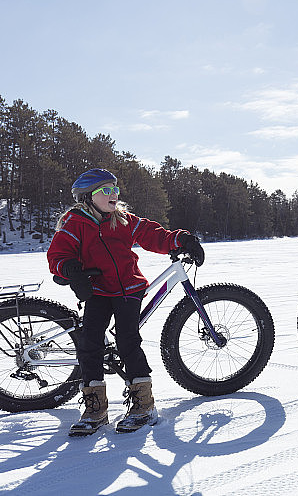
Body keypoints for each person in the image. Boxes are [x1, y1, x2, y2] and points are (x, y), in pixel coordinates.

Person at [47, 168, 205, 436]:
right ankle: (95, 408)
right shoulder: (74, 224)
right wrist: (72, 270)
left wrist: (182, 239)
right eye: (106, 190)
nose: (113, 195)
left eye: (115, 190)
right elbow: (58, 256)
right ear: (88, 197)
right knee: (89, 343)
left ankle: (143, 404)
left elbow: (154, 235)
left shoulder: (122, 220)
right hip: (96, 290)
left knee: (127, 338)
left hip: (128, 289)